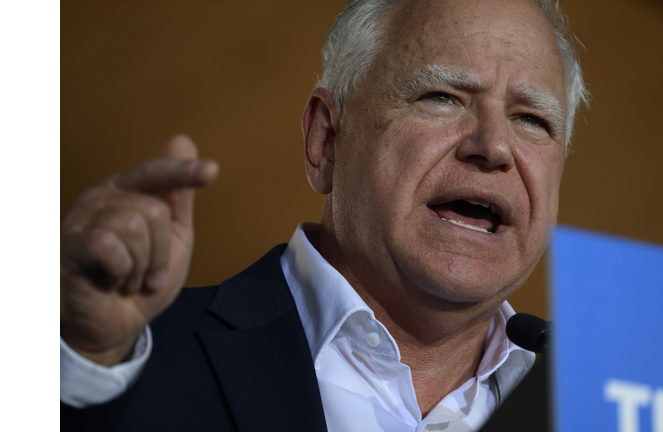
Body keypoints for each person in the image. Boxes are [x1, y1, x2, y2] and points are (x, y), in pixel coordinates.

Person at [60, 0, 588, 430]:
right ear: (326, 142)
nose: (494, 145)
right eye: (442, 97)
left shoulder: (603, 405)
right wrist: (82, 361)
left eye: (533, 119)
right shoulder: (124, 359)